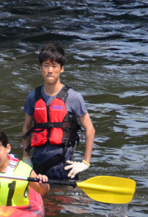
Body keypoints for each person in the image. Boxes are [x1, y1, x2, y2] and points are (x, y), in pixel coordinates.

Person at [21, 43, 95, 180]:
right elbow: (26, 126)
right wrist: (26, 157)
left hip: (64, 167)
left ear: (61, 69)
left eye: (54, 66)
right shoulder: (33, 97)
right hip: (37, 167)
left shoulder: (74, 97)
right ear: (40, 68)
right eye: (46, 65)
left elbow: (90, 129)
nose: (50, 70)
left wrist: (85, 162)